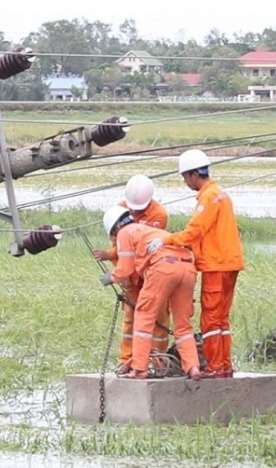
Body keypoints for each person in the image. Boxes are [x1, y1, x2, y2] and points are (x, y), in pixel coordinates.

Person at [100, 205, 202, 380]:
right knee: (183, 324)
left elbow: (125, 269)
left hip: (163, 268)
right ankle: (193, 367)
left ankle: (139, 369)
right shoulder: (152, 231)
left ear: (115, 228)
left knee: (144, 315)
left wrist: (110, 277)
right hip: (187, 268)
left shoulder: (125, 233)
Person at [168, 149, 244, 379]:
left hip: (216, 264)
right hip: (229, 262)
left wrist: (168, 240)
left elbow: (195, 230)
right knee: (221, 319)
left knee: (210, 318)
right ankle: (224, 366)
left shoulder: (208, 197)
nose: (185, 182)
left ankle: (214, 366)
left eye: (185, 177)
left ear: (194, 174)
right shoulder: (220, 193)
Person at [94, 175, 171, 372]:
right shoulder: (120, 211)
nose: (134, 212)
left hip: (151, 273)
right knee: (130, 318)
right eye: (132, 209)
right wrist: (118, 267)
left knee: (158, 317)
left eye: (139, 209)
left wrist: (117, 273)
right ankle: (127, 360)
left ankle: (158, 361)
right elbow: (120, 247)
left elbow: (146, 247)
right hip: (129, 275)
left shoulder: (159, 215)